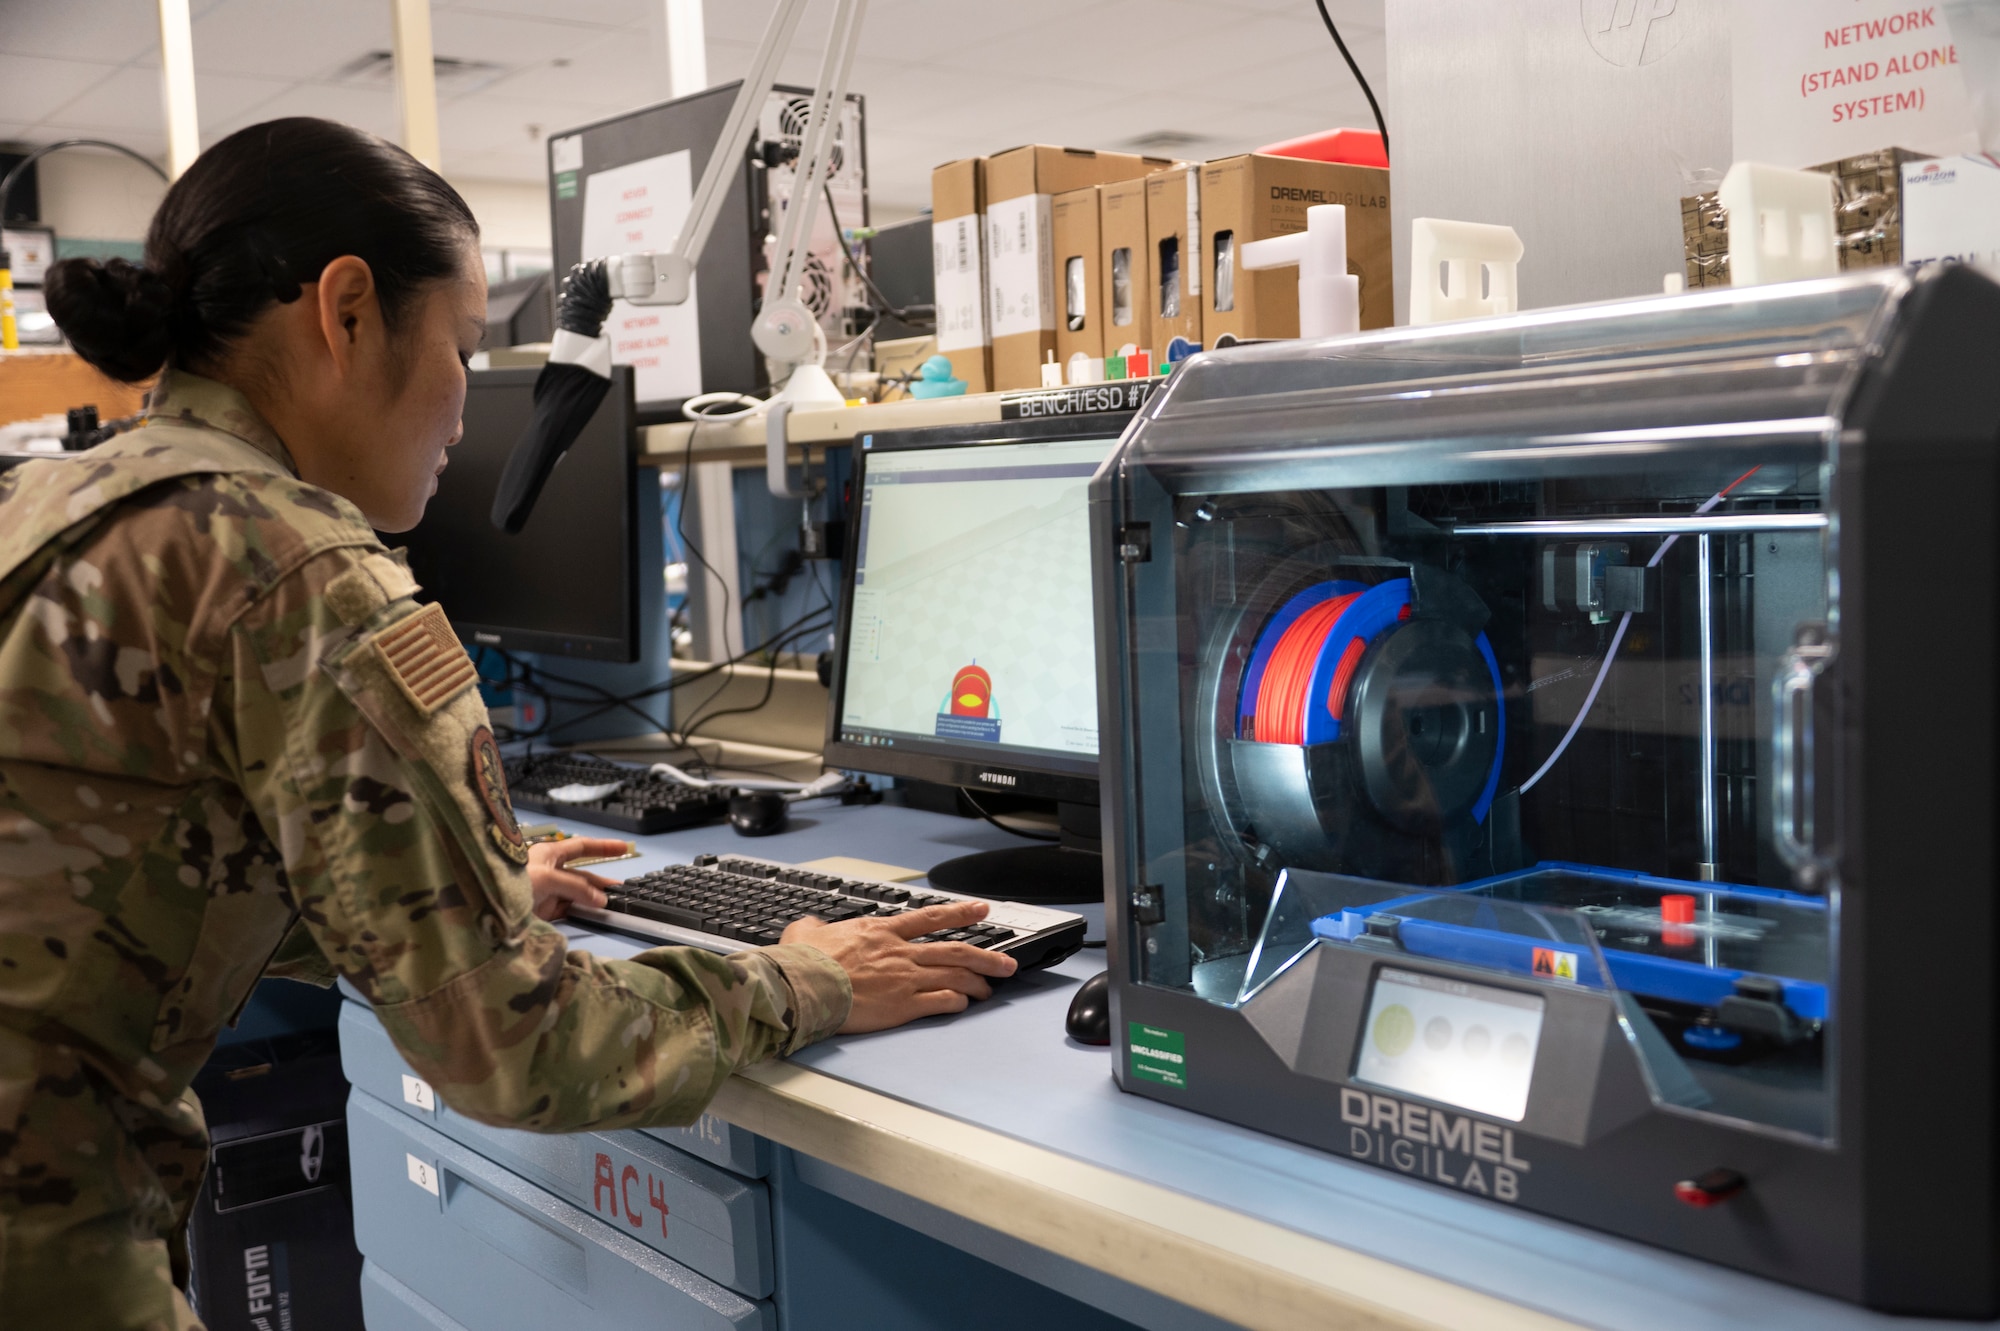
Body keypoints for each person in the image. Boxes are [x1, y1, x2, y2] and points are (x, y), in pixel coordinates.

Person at [0, 117, 1015, 1330]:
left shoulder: (62, 494)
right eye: (465, 350)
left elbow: (124, 865)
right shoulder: (306, 574)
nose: (467, 413)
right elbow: (515, 1047)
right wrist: (799, 979)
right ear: (347, 311)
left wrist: (441, 899)